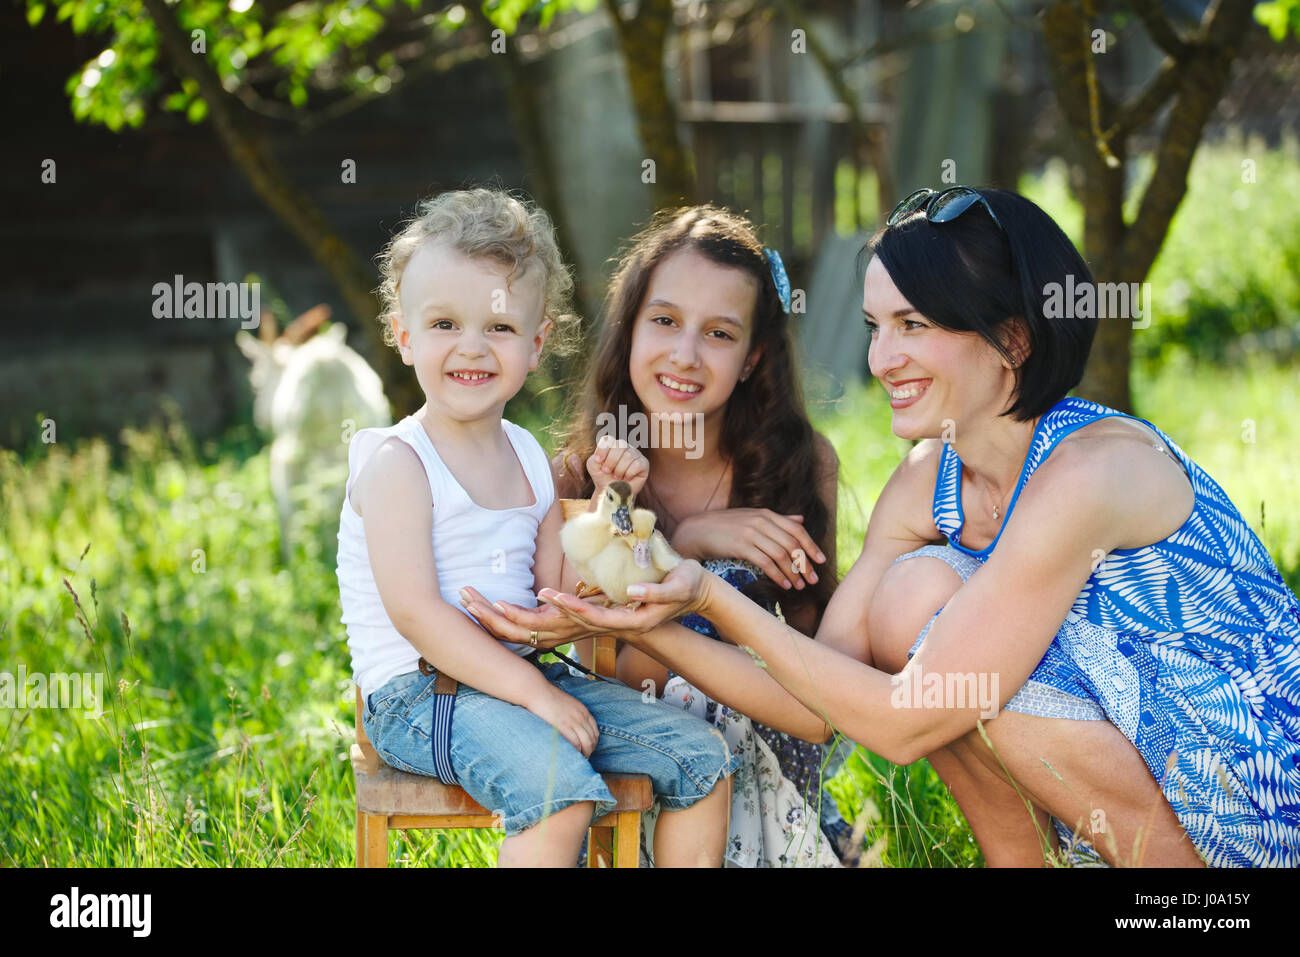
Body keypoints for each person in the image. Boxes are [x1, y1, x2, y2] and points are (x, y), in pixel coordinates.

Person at [474, 187, 1300, 867]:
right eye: (877, 328)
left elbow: (904, 720)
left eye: (915, 327)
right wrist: (671, 608)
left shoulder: (1091, 469)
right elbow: (821, 697)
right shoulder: (924, 482)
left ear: (1011, 338)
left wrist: (705, 603)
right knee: (914, 600)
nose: (882, 360)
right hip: (1132, 763)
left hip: (1256, 788)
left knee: (929, 617)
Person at [335, 188, 735, 868]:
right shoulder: (397, 464)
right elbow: (419, 616)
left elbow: (559, 589)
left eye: (497, 328)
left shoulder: (527, 456)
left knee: (703, 758)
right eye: (442, 325)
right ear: (403, 336)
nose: (471, 347)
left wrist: (614, 502)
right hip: (422, 696)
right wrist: (535, 694)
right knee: (558, 788)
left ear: (535, 342)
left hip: (524, 675)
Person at [465, 205, 852, 867]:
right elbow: (615, 668)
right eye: (665, 320)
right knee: (681, 697)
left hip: (767, 769)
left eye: (720, 333)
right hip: (636, 776)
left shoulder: (800, 466)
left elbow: (817, 689)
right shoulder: (579, 475)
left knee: (715, 703)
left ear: (754, 355)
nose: (685, 354)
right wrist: (693, 539)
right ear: (631, 326)